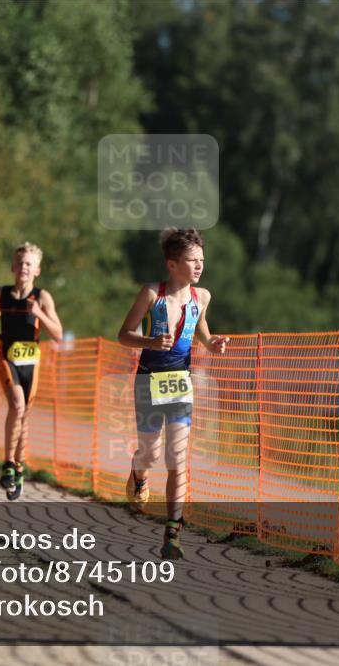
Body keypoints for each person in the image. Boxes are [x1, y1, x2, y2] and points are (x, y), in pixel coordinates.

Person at [116, 228, 228, 559]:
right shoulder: (152, 294)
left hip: (181, 383)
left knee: (177, 457)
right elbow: (123, 334)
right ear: (172, 264)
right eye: (192, 261)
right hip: (149, 381)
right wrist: (149, 342)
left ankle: (172, 533)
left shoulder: (202, 297)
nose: (199, 266)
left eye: (202, 261)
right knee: (151, 455)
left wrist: (211, 343)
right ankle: (138, 473)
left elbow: (200, 328)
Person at [0, 242, 63, 500]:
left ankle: (18, 468)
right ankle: (6, 464)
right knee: (16, 405)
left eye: (29, 264)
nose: (23, 267)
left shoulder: (42, 297)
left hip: (31, 361)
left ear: (37, 270)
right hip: (6, 354)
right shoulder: (0, 293)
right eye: (20, 262)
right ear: (13, 267)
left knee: (23, 416)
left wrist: (39, 314)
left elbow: (58, 334)